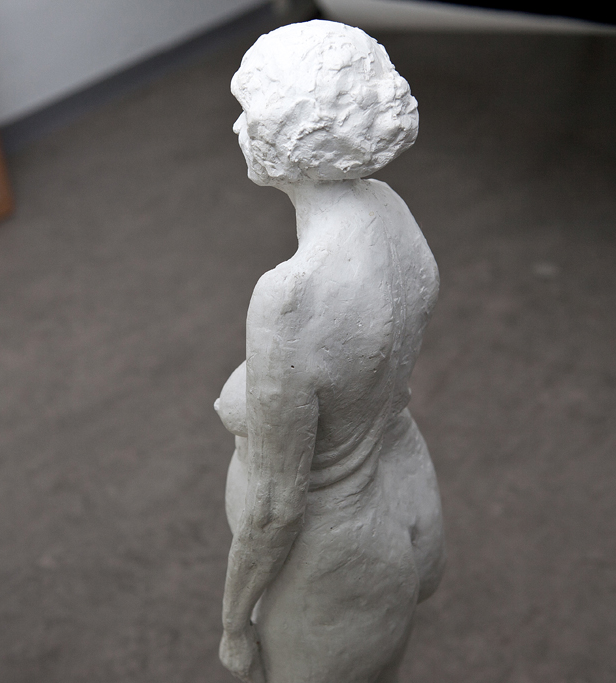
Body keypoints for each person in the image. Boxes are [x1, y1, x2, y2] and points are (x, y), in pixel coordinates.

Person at [213, 20, 444, 683]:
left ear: (288, 132)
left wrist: (234, 621)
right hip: (407, 492)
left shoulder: (291, 296)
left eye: (248, 112)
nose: (238, 127)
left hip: (332, 557)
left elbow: (274, 507)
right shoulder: (390, 210)